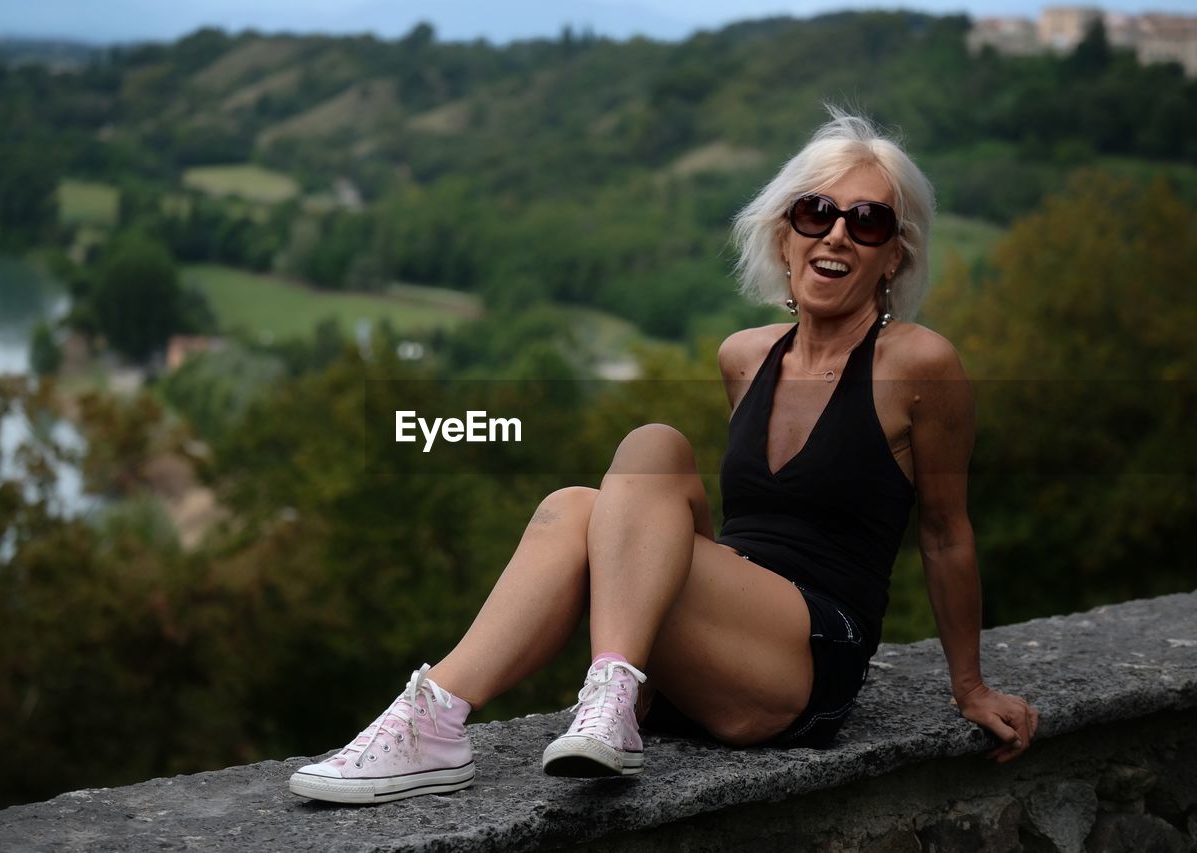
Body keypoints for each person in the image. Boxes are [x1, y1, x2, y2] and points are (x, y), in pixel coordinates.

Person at [288, 108, 1039, 805]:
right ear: (785, 235)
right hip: (718, 648)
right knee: (606, 482)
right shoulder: (743, 357)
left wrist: (969, 687)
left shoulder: (919, 365)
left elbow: (946, 531)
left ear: (893, 257)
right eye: (816, 212)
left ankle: (556, 704)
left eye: (867, 221)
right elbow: (740, 526)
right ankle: (443, 717)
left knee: (617, 481)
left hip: (809, 658)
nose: (837, 234)